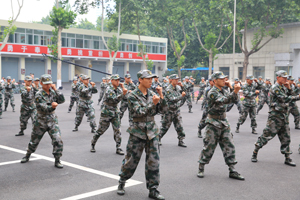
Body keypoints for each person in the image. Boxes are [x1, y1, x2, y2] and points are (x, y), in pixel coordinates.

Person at [117, 70, 167, 200]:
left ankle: (153, 189)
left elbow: (163, 110)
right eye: (147, 79)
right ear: (140, 80)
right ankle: (122, 180)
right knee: (131, 161)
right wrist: (153, 104)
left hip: (152, 132)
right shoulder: (132, 95)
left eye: (152, 79)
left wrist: (161, 96)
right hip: (137, 133)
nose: (150, 81)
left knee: (154, 163)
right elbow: (139, 112)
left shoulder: (153, 94)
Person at [197, 71, 244, 180]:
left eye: (225, 78)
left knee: (229, 145)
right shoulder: (212, 92)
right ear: (214, 81)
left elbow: (234, 99)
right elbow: (224, 101)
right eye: (221, 79)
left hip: (224, 121)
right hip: (213, 122)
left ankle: (232, 169)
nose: (224, 80)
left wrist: (232, 88)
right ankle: (201, 166)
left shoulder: (223, 90)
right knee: (209, 146)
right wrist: (234, 91)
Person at [251, 70, 300, 167]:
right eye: (283, 77)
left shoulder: (283, 87)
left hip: (284, 116)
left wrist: (289, 88)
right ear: (277, 77)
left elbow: (291, 95)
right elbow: (285, 98)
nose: (285, 79)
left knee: (286, 138)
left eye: (286, 77)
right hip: (275, 117)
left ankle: (287, 157)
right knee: (266, 136)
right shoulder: (275, 87)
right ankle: (255, 152)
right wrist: (298, 97)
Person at [20, 74, 65, 168]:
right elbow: (43, 107)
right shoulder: (38, 94)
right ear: (41, 83)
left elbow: (62, 100)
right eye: (46, 84)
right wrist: (52, 106)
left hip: (52, 121)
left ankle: (57, 160)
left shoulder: (53, 92)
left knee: (58, 140)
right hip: (40, 121)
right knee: (34, 141)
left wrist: (56, 89)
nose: (48, 85)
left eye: (49, 83)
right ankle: (28, 155)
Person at [91, 74, 127, 155]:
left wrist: (123, 89)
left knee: (117, 130)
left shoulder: (118, 89)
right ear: (112, 81)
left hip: (115, 112)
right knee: (100, 130)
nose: (118, 81)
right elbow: (114, 100)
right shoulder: (108, 89)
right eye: (116, 80)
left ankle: (118, 147)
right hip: (107, 113)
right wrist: (123, 93)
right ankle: (93, 143)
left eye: (119, 80)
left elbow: (125, 98)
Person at [159, 74, 187, 147]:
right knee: (165, 126)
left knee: (179, 126)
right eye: (175, 79)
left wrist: (182, 86)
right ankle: (158, 138)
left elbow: (185, 92)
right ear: (171, 80)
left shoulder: (178, 87)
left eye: (177, 79)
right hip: (169, 110)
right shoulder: (168, 89)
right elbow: (172, 99)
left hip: (176, 110)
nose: (177, 80)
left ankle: (181, 140)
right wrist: (181, 96)